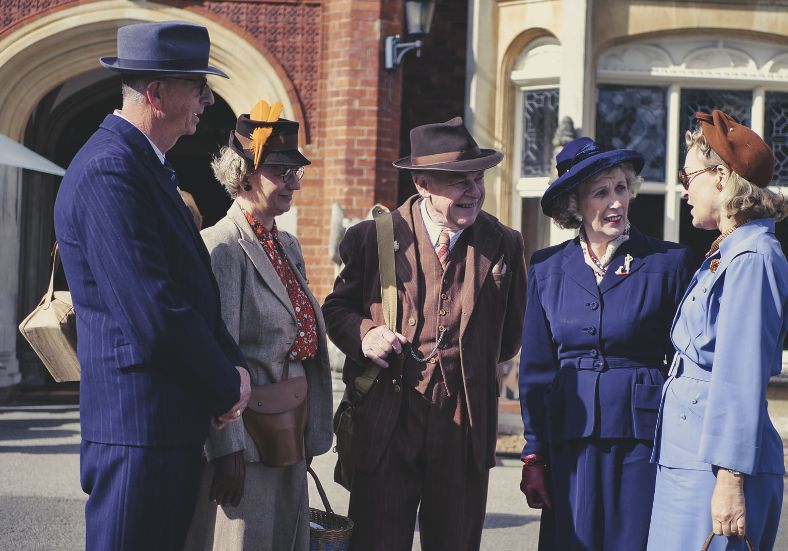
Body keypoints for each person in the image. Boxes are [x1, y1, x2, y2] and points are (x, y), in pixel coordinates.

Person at [53, 22, 251, 550]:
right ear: (156, 92)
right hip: (136, 430)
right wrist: (227, 384)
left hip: (163, 426)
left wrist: (234, 367)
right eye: (197, 86)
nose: (208, 100)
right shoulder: (109, 170)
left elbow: (194, 293)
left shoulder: (147, 166)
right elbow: (154, 312)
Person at [323, 116, 527, 551]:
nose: (474, 191)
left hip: (463, 424)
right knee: (376, 541)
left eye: (478, 178)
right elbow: (336, 308)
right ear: (421, 183)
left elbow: (509, 338)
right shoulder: (372, 238)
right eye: (458, 182)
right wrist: (365, 334)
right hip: (386, 420)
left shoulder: (504, 243)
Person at [518, 137, 695, 551]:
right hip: (569, 440)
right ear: (574, 205)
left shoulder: (669, 263)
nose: (616, 202)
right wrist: (534, 454)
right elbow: (537, 371)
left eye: (621, 188)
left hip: (642, 439)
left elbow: (689, 361)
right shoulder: (547, 268)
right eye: (601, 192)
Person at [184, 105, 333, 550]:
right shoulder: (222, 246)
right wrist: (226, 449)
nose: (293, 181)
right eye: (280, 170)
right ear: (244, 175)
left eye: (296, 171)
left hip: (289, 432)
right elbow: (216, 354)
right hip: (246, 443)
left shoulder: (286, 243)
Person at [647, 110, 788, 551]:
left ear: (722, 177)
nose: (684, 187)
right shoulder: (728, 251)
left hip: (716, 471)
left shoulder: (752, 257)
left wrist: (729, 479)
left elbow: (739, 375)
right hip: (690, 462)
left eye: (689, 175)